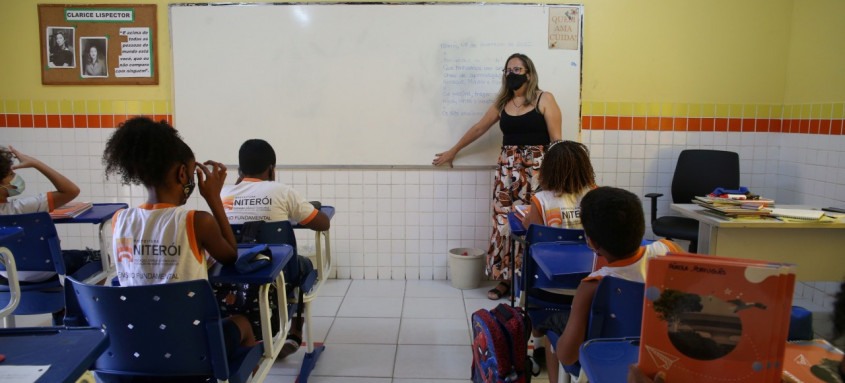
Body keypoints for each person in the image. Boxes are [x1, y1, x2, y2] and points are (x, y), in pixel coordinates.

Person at [102, 116, 256, 353]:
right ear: (183, 174)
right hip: (191, 348)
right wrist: (214, 198)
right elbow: (230, 255)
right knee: (243, 324)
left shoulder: (119, 220)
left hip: (136, 346)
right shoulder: (197, 221)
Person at [432, 53, 563, 301]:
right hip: (507, 174)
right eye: (508, 70)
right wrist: (453, 151)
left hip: (537, 174)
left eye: (518, 69)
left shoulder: (544, 99)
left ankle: (531, 279)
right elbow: (479, 128)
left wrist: (559, 176)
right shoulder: (502, 103)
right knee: (503, 224)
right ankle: (505, 279)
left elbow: (557, 141)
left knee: (535, 224)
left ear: (529, 73)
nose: (512, 73)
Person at [542, 187, 683, 383]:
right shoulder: (670, 250)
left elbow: (568, 356)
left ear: (591, 242)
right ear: (641, 227)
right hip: (664, 357)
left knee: (553, 325)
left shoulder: (593, 285)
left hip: (605, 362)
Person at [219, 138, 330, 358]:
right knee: (306, 264)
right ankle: (294, 334)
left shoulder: (223, 195)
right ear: (271, 169)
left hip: (234, 272)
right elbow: (322, 223)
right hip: (280, 273)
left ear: (240, 170)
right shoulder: (282, 192)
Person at [518, 139, 596, 371]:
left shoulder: (541, 200)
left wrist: (526, 218)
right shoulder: (596, 196)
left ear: (548, 169)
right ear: (585, 167)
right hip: (589, 286)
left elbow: (532, 232)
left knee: (525, 267)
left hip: (548, 289)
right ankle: (543, 337)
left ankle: (539, 335)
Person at [0, 145, 89, 285]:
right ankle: (81, 305)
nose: (15, 177)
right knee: (99, 257)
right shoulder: (24, 207)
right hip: (48, 271)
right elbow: (71, 190)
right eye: (11, 175)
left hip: (5, 275)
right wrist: (36, 163)